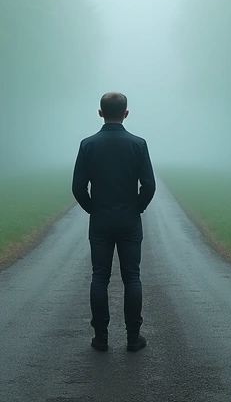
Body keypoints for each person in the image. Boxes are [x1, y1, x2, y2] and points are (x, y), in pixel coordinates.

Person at [71, 91, 157, 352]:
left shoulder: (88, 144)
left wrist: (93, 209)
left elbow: (78, 187)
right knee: (132, 277)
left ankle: (101, 338)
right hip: (129, 220)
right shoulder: (138, 144)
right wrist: (137, 208)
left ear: (100, 112)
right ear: (126, 113)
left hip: (100, 221)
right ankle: (133, 337)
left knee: (100, 277)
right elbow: (149, 186)